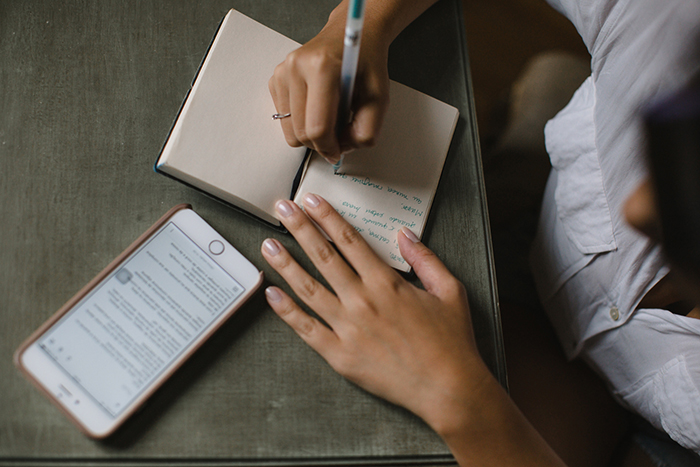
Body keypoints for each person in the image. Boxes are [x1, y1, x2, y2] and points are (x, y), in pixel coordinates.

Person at [265, 0, 700, 462]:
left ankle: (522, 150)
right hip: (541, 249)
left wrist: (455, 394)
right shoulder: (672, 20)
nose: (636, 207)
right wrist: (356, 27)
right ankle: (522, 161)